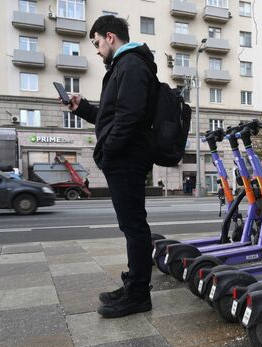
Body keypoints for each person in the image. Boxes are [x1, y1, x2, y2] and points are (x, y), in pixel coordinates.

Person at [64, 15, 157, 318]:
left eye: (97, 43)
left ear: (110, 37)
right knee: (131, 226)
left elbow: (129, 116)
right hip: (125, 156)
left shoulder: (130, 65)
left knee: (134, 227)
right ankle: (133, 284)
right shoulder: (123, 66)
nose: (97, 50)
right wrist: (84, 108)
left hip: (127, 157)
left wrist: (108, 151)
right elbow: (111, 115)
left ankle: (139, 294)